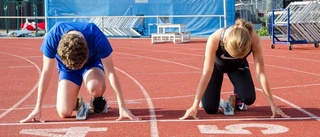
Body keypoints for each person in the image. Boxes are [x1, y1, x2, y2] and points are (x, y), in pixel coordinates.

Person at [20, 22, 140, 122]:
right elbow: (46, 72)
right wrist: (37, 108)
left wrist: (122, 106)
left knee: (95, 87)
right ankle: (76, 100)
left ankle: (98, 99)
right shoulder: (53, 37)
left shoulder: (96, 35)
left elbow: (111, 73)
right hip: (67, 68)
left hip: (91, 64)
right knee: (64, 112)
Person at [180, 19, 290, 120]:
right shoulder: (215, 39)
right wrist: (194, 106)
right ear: (225, 41)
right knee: (210, 109)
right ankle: (205, 101)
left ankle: (237, 98)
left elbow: (260, 73)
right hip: (216, 67)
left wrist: (273, 105)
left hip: (238, 67)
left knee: (248, 99)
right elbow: (206, 74)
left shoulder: (254, 39)